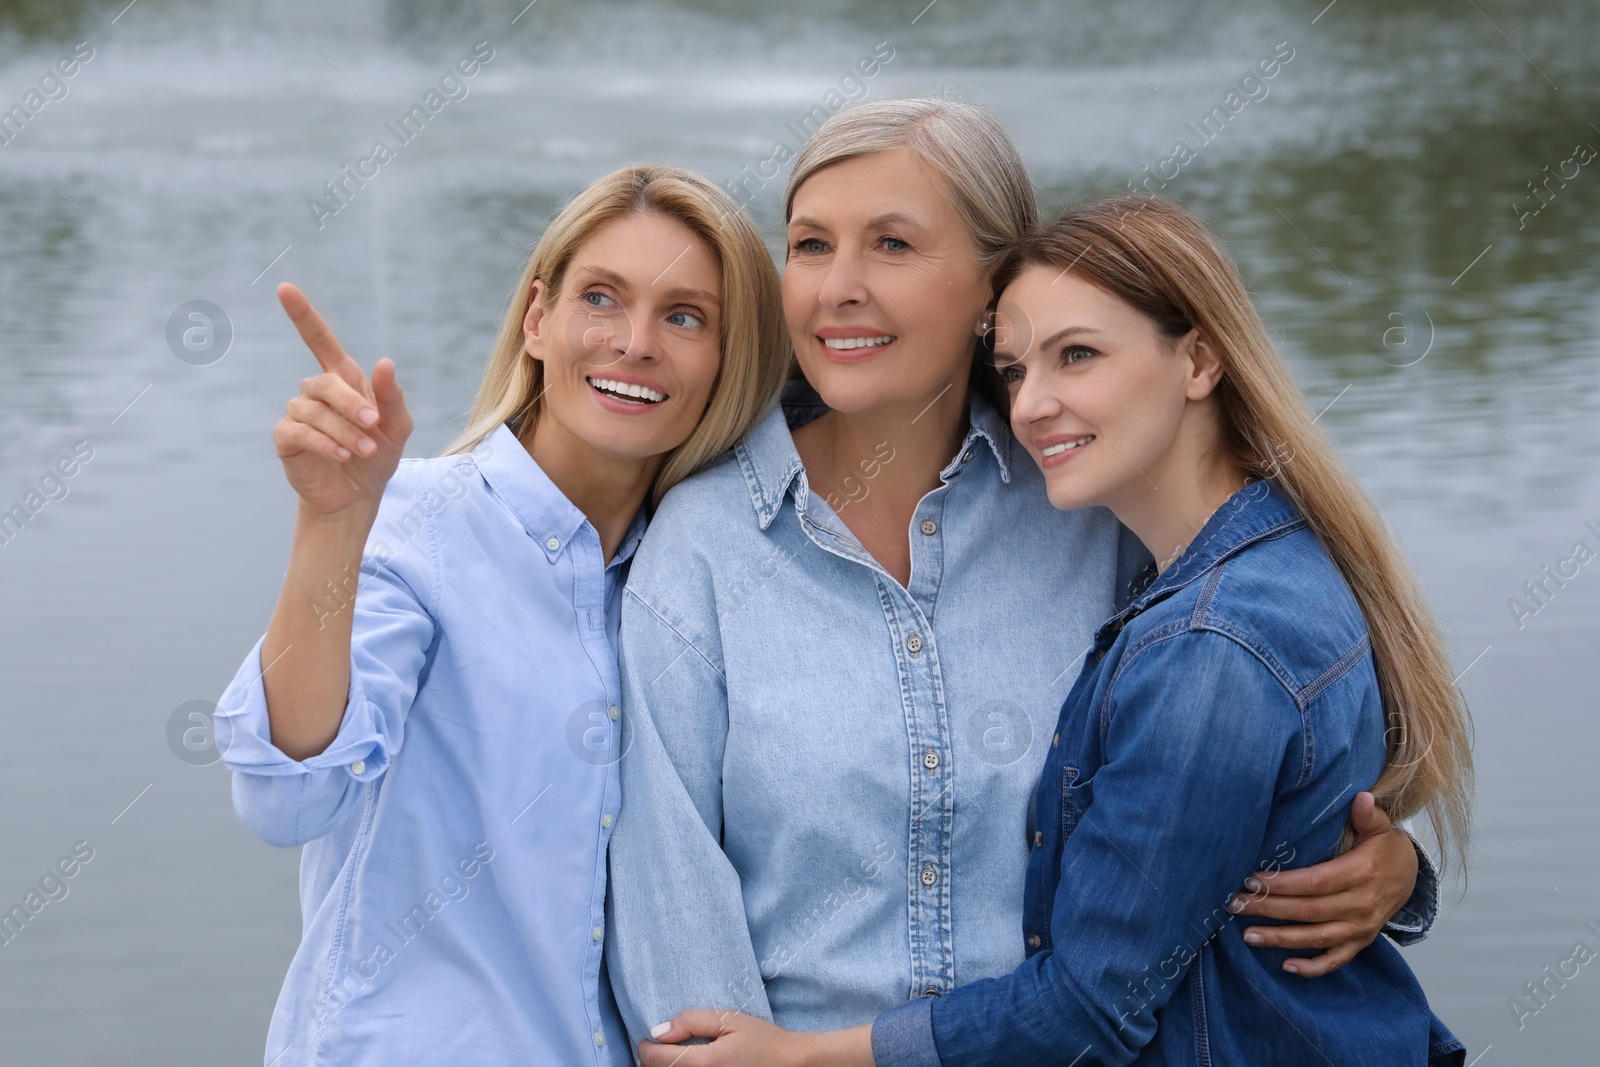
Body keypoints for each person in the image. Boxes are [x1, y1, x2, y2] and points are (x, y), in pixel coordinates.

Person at [607, 98, 1438, 1056]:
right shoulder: (704, 545)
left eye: (890, 244)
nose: (837, 286)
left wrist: (1394, 873)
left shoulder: (1095, 506)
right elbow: (674, 919)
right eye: (808, 244)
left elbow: (1242, 792)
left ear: (992, 291)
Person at [211, 164, 788, 1067]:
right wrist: (331, 525)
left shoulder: (693, 575)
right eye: (602, 298)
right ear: (537, 320)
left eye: (686, 316)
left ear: (728, 359)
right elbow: (286, 797)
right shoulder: (415, 522)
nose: (635, 343)